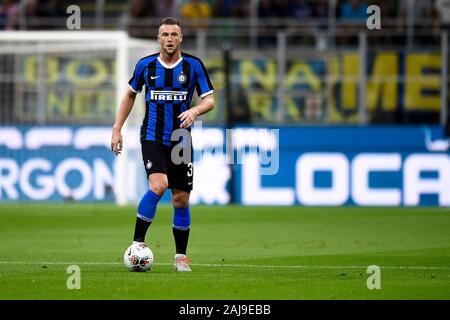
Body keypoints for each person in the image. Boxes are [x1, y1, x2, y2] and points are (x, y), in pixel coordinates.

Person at [111, 17, 215, 272]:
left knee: (180, 200)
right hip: (152, 136)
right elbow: (129, 95)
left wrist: (195, 111)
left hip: (181, 139)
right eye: (165, 34)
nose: (169, 38)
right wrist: (117, 129)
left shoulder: (193, 66)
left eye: (174, 34)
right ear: (158, 38)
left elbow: (210, 100)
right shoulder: (146, 66)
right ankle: (137, 243)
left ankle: (181, 257)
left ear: (181, 38)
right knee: (159, 185)